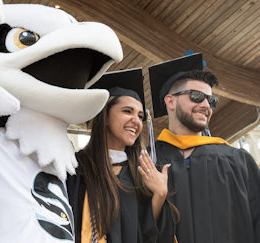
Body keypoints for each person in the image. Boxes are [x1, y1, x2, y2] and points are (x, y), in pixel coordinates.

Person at [148, 53, 260, 243]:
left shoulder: (237, 160)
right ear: (170, 101)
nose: (206, 105)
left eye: (211, 100)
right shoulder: (149, 162)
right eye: (197, 96)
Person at [67, 68, 176, 243]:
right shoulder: (75, 168)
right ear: (105, 116)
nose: (136, 120)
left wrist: (160, 194)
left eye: (140, 116)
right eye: (127, 111)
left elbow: (149, 234)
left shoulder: (142, 174)